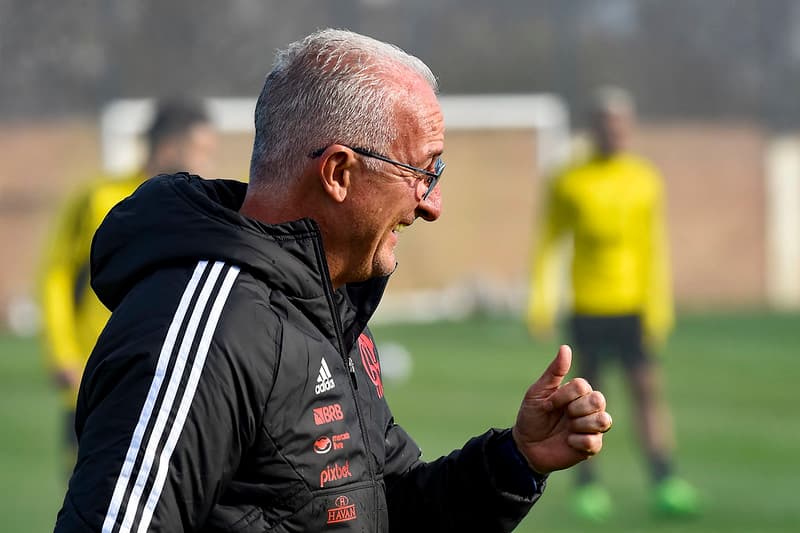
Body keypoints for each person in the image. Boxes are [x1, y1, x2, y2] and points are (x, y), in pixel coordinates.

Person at [54, 30, 612, 532]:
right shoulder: (213, 326)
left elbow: (388, 510)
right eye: (424, 171)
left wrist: (515, 460)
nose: (432, 204)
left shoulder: (330, 308)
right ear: (340, 173)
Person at [527, 87, 698, 521]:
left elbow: (652, 247)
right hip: (588, 305)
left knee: (647, 393)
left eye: (623, 124)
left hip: (632, 306)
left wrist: (659, 306)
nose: (616, 132)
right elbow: (549, 242)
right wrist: (541, 300)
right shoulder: (569, 180)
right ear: (594, 128)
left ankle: (665, 481)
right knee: (586, 399)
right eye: (608, 124)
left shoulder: (644, 179)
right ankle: (588, 488)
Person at [39, 99, 217, 476]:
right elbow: (57, 276)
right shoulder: (97, 199)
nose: (205, 160)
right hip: (96, 376)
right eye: (200, 149)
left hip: (169, 382)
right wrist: (63, 351)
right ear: (170, 146)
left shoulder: (200, 205)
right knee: (90, 498)